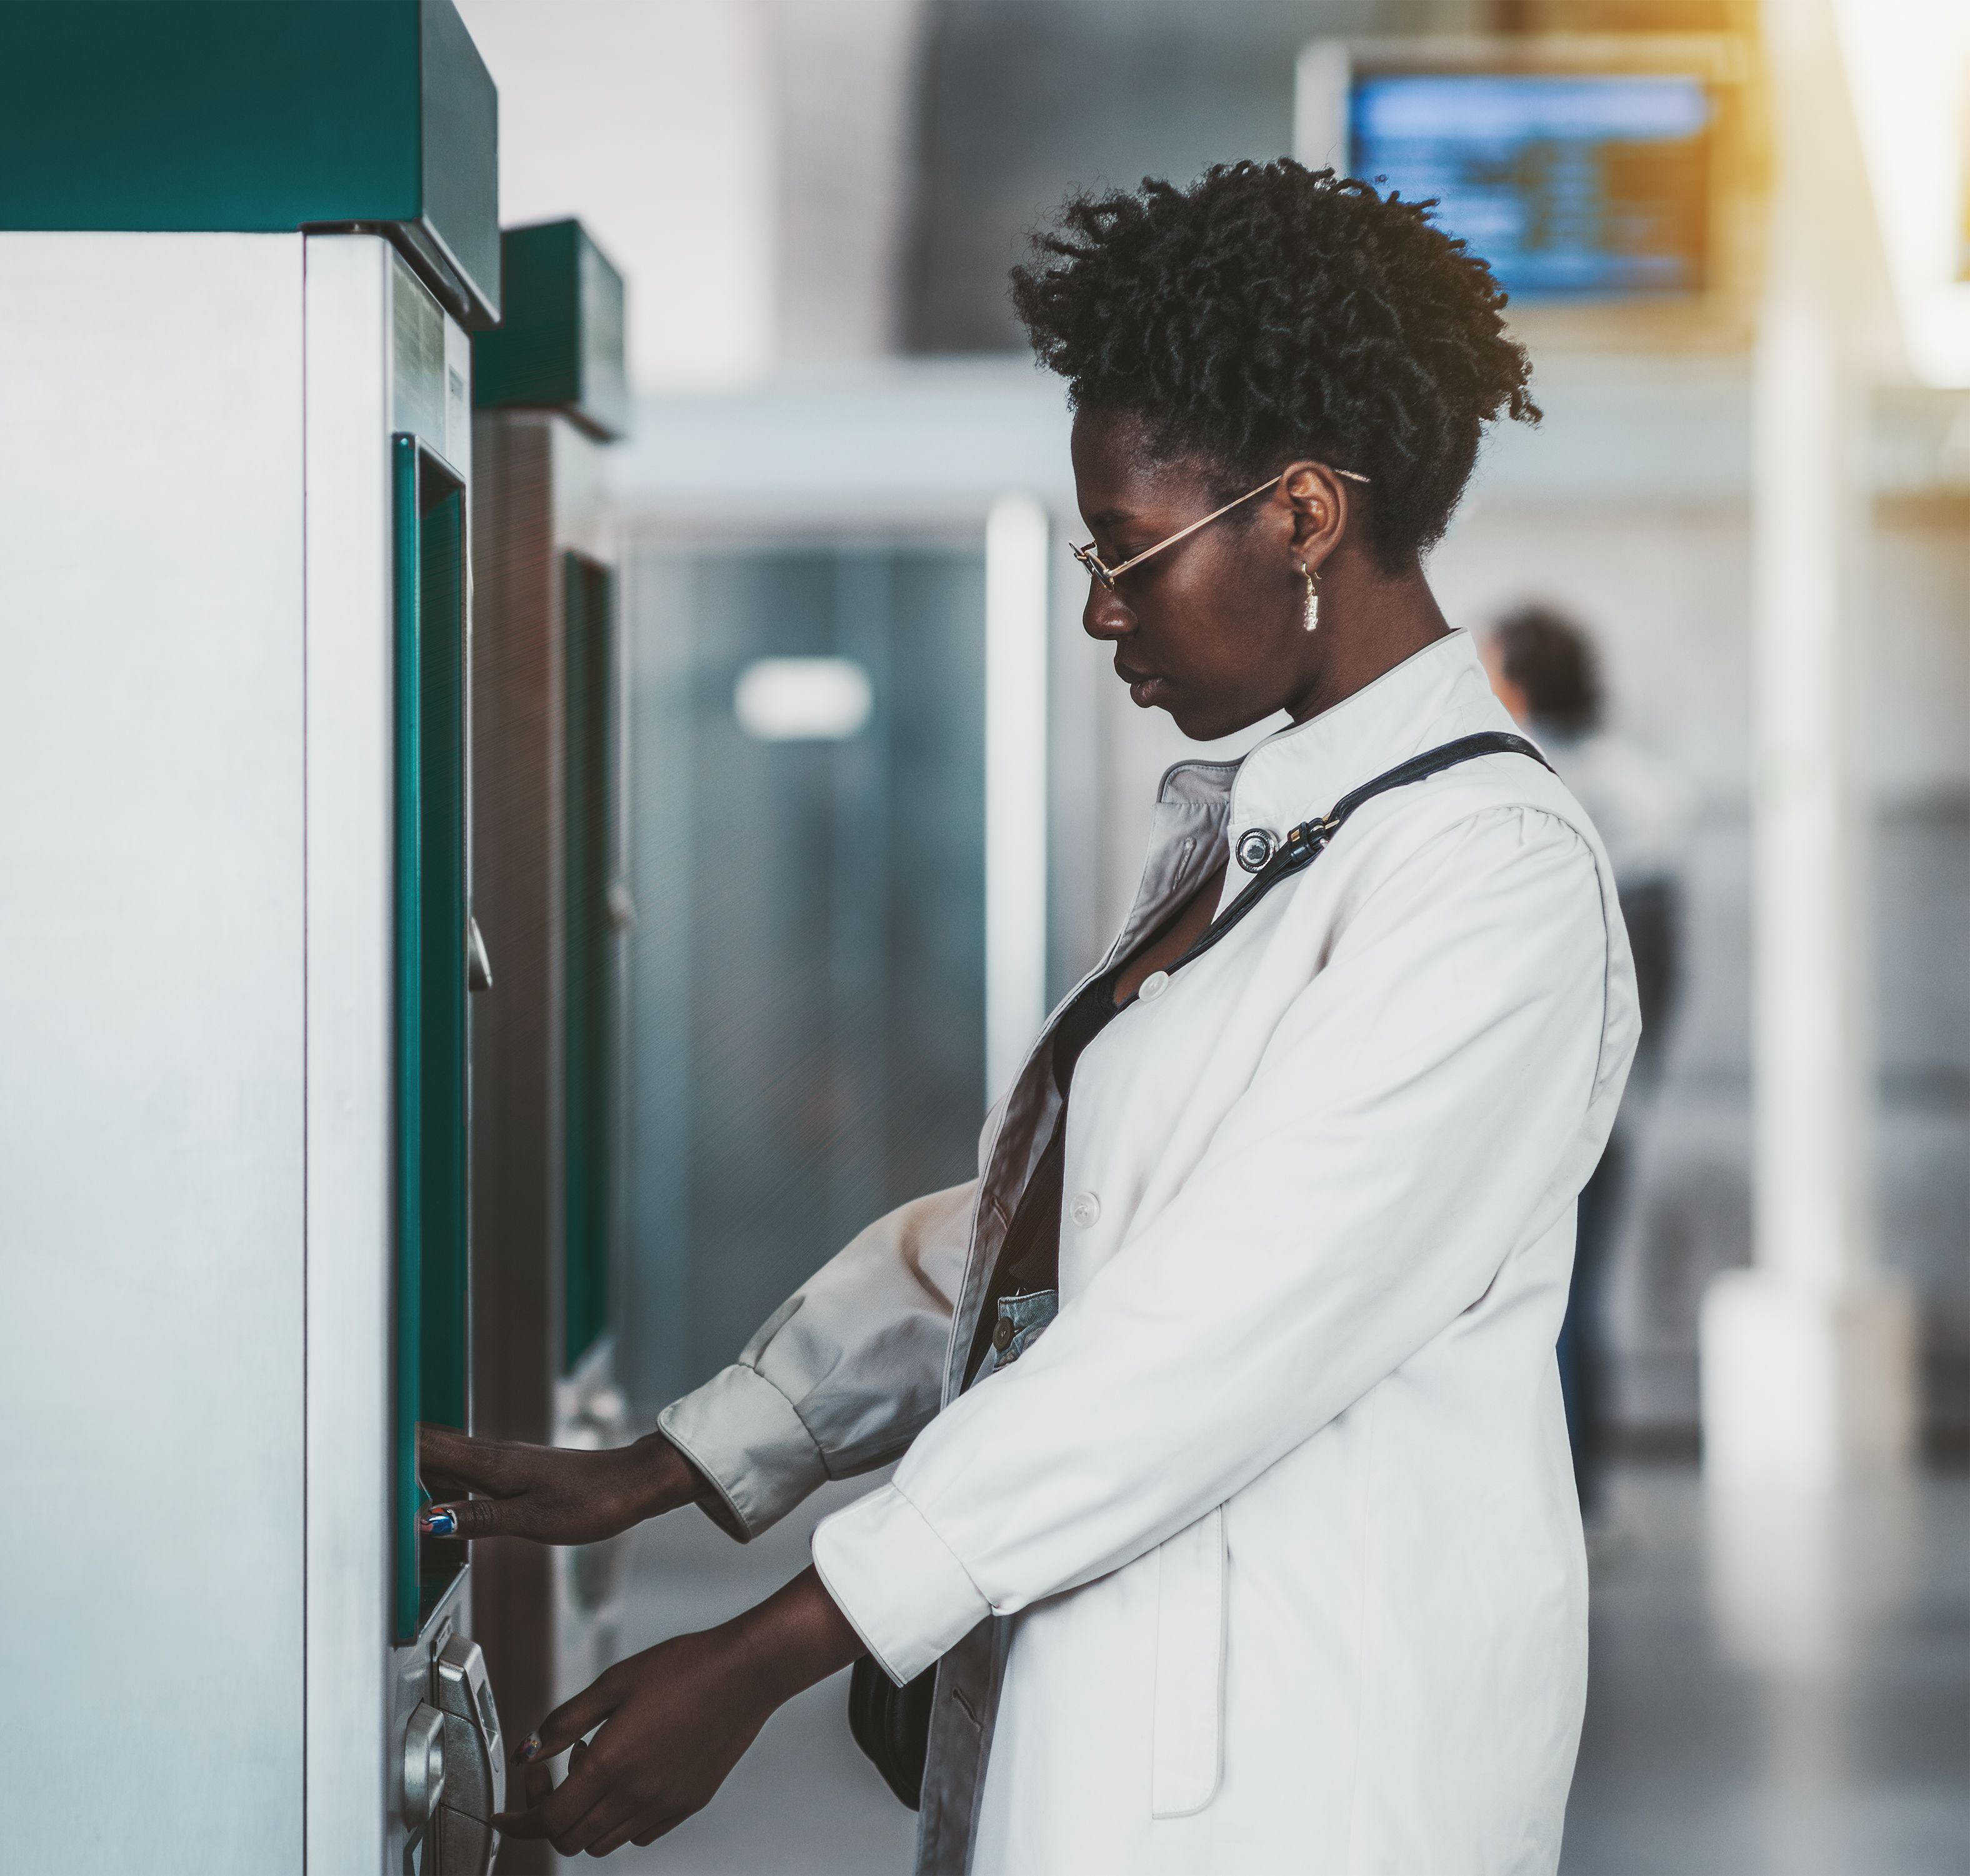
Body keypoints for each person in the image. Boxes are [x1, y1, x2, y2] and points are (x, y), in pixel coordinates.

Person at [420, 160, 1640, 1874]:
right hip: (1120, 1743)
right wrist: (680, 1461)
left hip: (1307, 1788)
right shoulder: (1275, 830)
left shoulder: (1489, 876)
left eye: (1129, 551)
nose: (1099, 608)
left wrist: (770, 1648)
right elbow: (1054, 1235)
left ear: (1302, 514)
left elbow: (1209, 1326)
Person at [1485, 606, 1689, 1524]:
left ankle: (1557, 1506)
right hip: (1604, 1095)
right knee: (1576, 1294)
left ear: (1520, 681)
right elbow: (1662, 964)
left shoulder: (1520, 779)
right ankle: (1579, 1506)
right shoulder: (1639, 786)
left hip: (1546, 1097)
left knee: (1542, 1301)